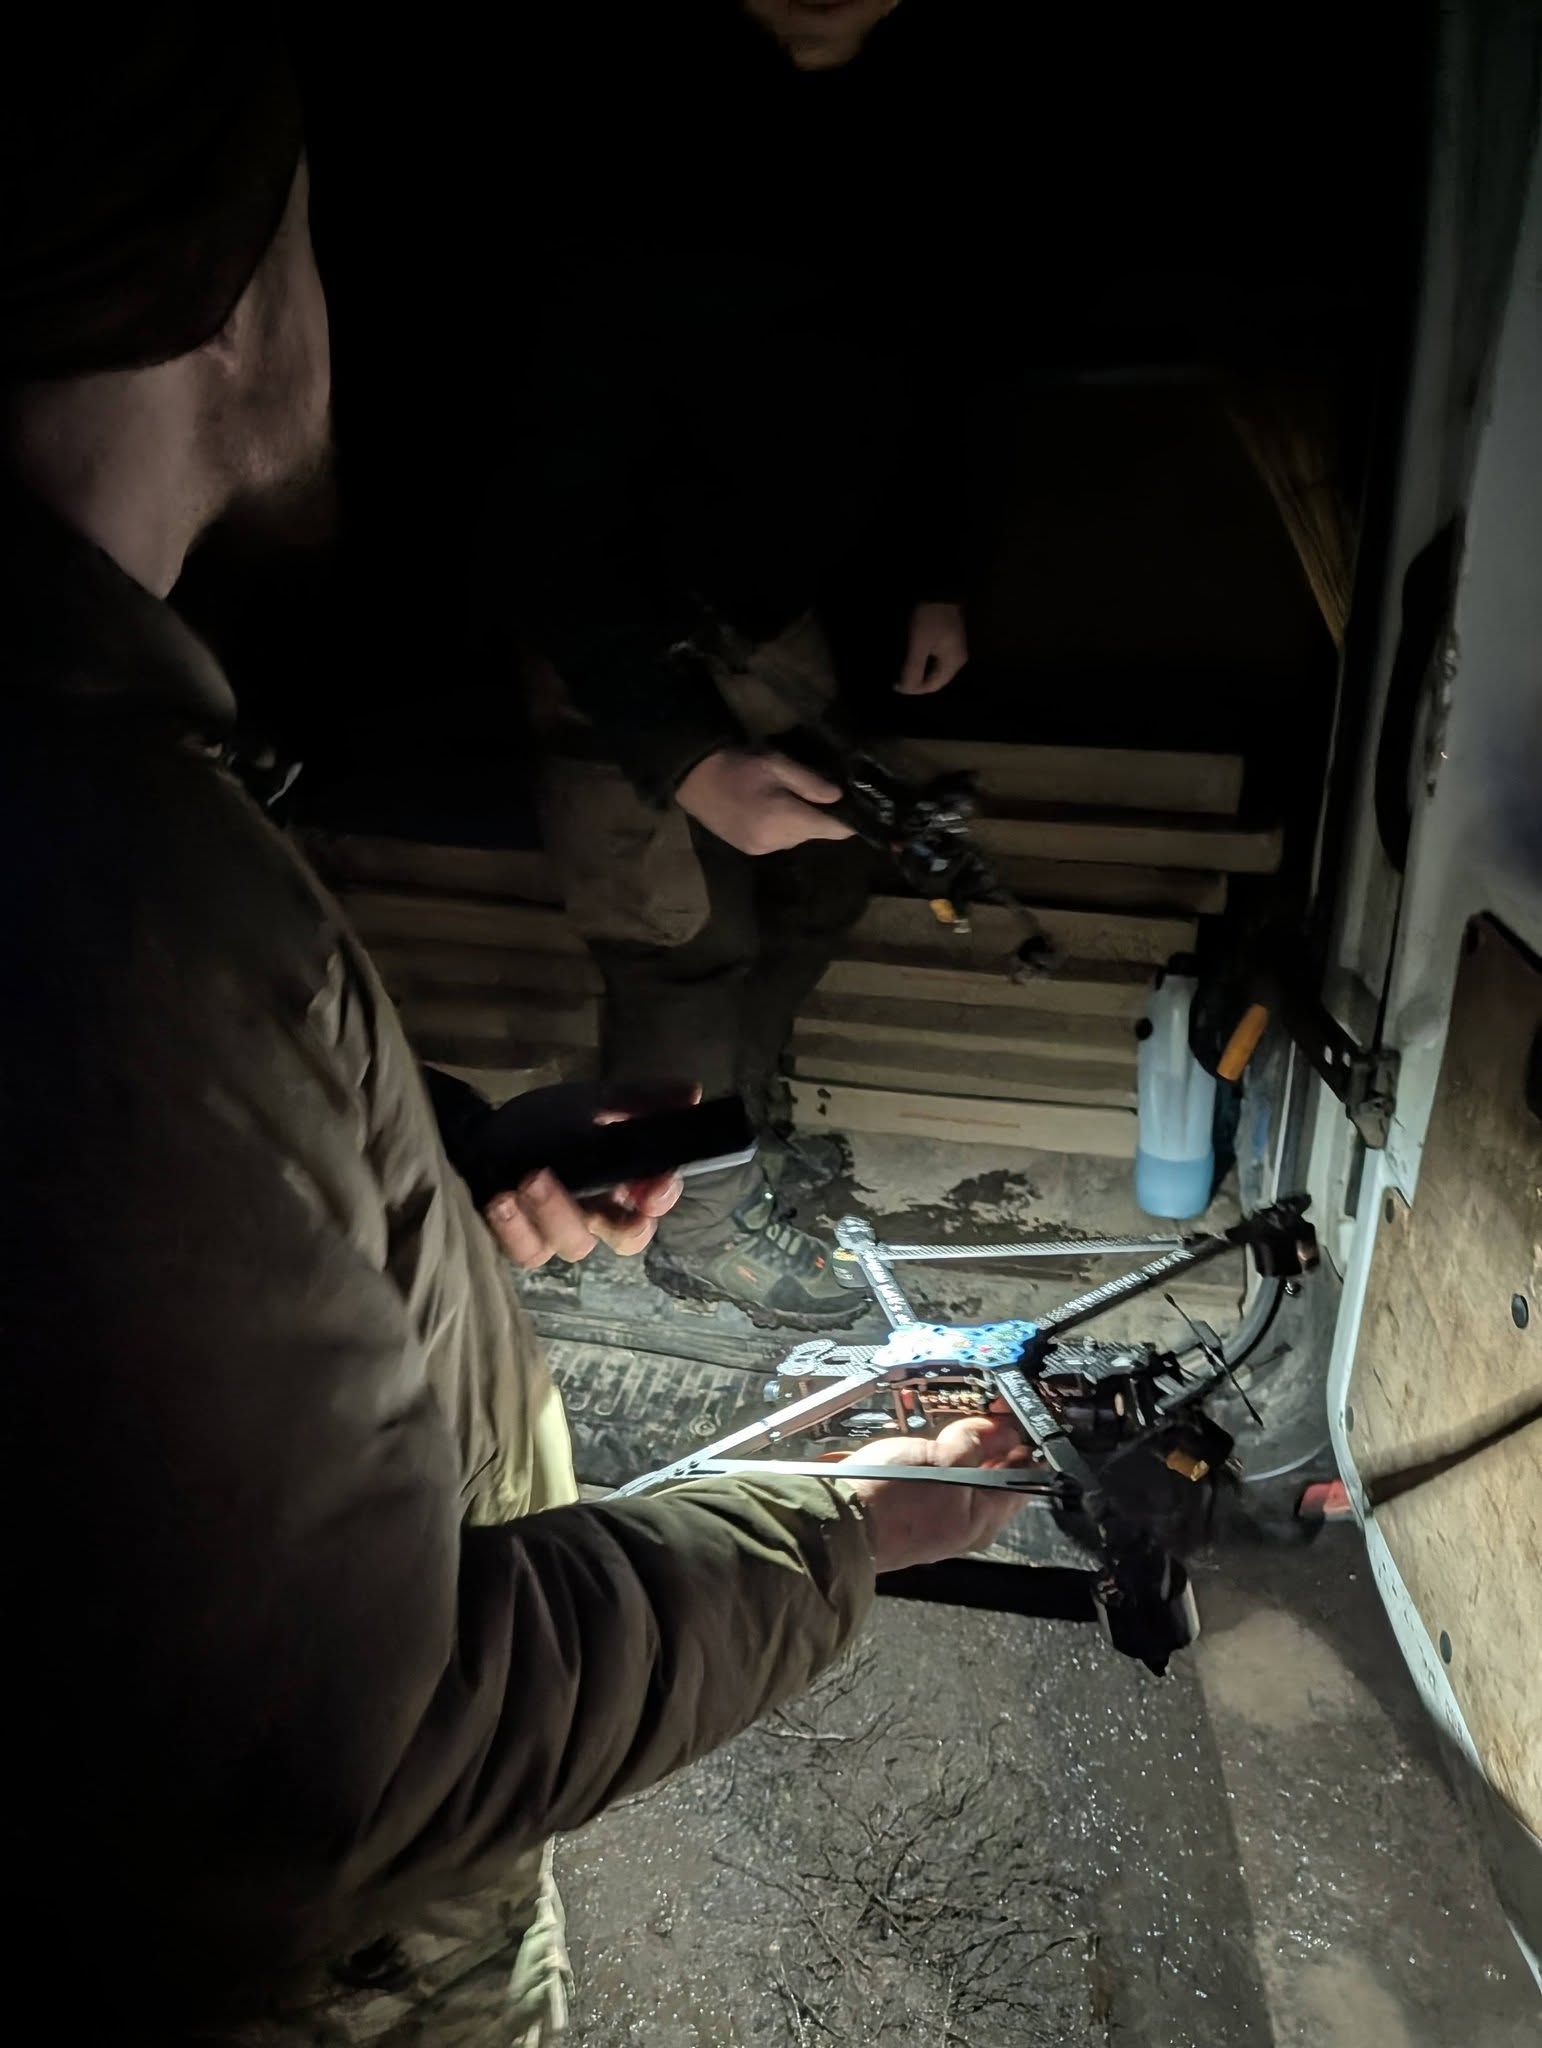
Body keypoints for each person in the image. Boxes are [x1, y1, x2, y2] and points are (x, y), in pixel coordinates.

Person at [1, 16, 1026, 2044]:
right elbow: (352, 1764)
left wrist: (430, 1176)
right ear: (228, 295)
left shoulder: (110, 812)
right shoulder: (116, 890)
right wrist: (839, 1528)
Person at [510, 0, 973, 1329]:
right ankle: (699, 1229)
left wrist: (936, 571)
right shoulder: (619, 121)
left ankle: (744, 1151)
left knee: (816, 886)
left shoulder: (922, 120)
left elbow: (937, 365)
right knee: (676, 949)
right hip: (604, 625)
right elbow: (538, 510)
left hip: (774, 607)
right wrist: (684, 756)